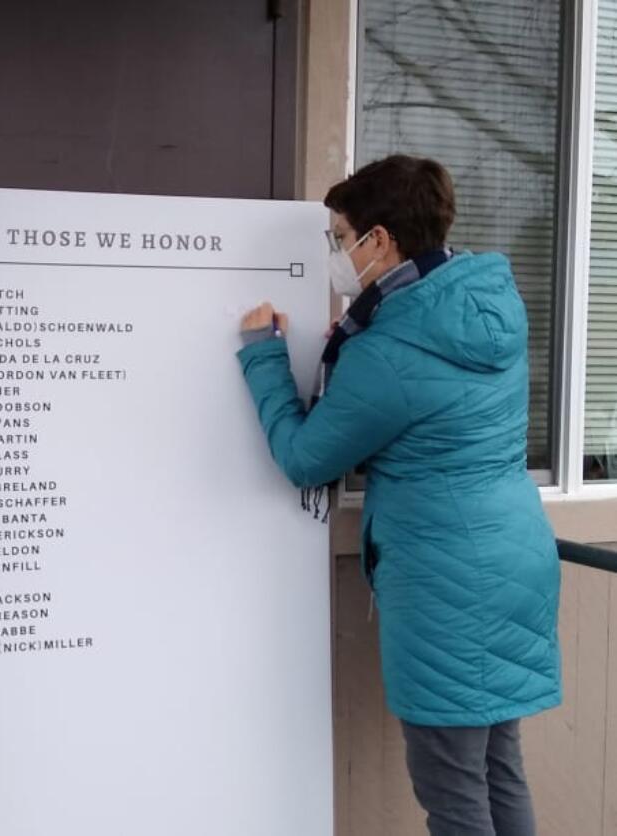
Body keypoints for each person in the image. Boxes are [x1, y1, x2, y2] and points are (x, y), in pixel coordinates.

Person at [237, 155, 561, 836]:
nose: (334, 251)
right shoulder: (484, 308)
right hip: (512, 558)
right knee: (499, 767)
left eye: (339, 236)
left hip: (449, 584)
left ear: (379, 241)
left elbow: (305, 458)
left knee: (453, 792)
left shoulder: (387, 351)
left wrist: (264, 356)